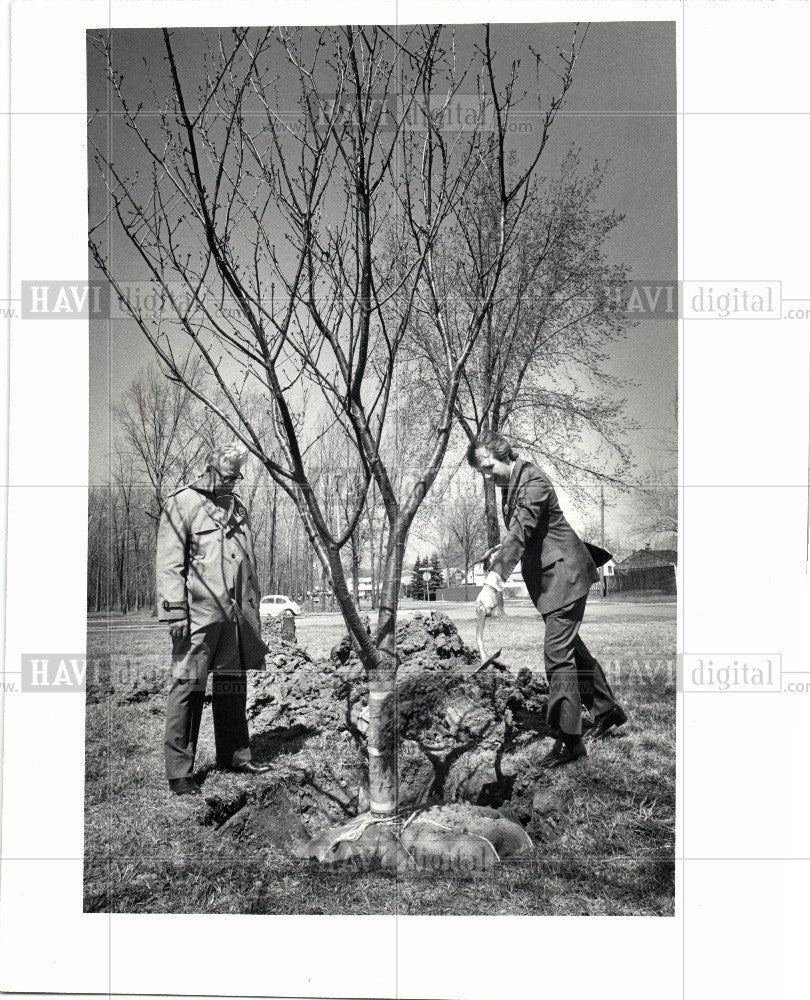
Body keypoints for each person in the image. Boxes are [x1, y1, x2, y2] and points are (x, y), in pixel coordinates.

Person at [468, 430, 627, 768]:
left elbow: (523, 530)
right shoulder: (511, 483)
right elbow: (526, 530)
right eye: (480, 471)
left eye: (486, 467)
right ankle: (607, 710)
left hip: (566, 576)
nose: (486, 476)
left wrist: (492, 582)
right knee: (572, 650)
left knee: (557, 656)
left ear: (503, 455)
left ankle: (570, 741)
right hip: (553, 579)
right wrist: (500, 549)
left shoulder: (533, 481)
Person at [156, 442, 271, 796]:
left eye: (236, 477)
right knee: (189, 688)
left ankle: (235, 756)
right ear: (209, 469)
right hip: (197, 615)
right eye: (226, 476)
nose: (231, 483)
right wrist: (175, 610)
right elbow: (169, 562)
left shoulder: (237, 508)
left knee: (232, 688)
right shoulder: (183, 503)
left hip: (234, 616)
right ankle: (180, 772)